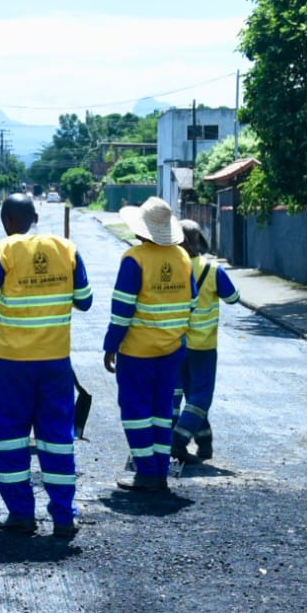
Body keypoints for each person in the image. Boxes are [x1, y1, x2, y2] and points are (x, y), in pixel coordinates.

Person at [0, 193, 93, 539]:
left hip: (11, 366)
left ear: (6, 222)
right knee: (58, 439)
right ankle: (64, 516)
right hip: (55, 364)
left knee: (10, 439)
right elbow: (86, 301)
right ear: (32, 218)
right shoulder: (67, 250)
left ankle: (21, 514)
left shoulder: (0, 253)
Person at [104, 197, 193, 493]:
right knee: (162, 410)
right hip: (171, 351)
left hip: (137, 352)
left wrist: (110, 345)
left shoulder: (134, 258)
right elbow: (191, 301)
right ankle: (160, 471)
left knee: (136, 410)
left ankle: (146, 472)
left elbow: (122, 310)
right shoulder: (182, 257)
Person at [172, 219, 240, 462]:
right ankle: (178, 440)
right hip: (204, 346)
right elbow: (233, 298)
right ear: (199, 240)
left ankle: (205, 443)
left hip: (178, 343)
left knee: (191, 396)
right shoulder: (212, 270)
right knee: (201, 396)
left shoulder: (174, 268)